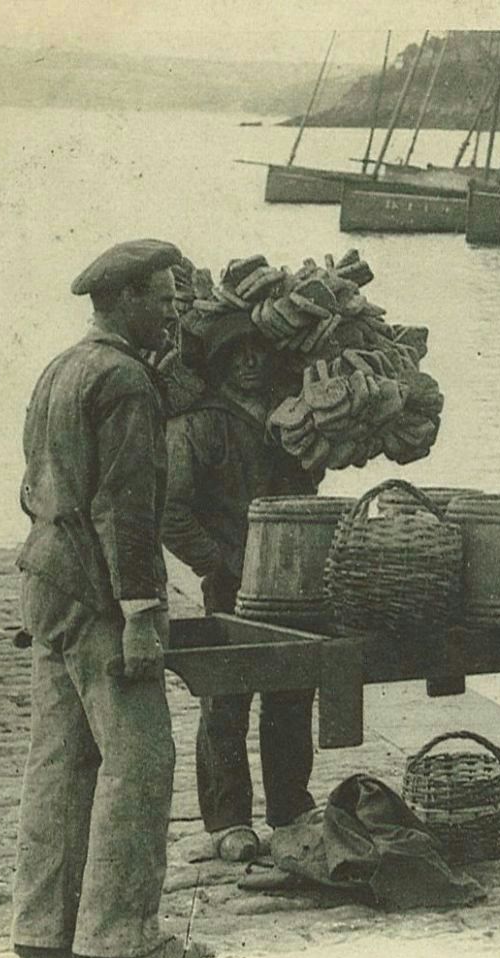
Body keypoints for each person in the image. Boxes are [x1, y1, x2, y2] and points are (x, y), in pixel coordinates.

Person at [14, 239, 206, 958]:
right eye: (161, 297)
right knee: (138, 763)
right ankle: (119, 937)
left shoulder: (61, 367)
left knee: (58, 762)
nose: (173, 309)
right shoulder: (125, 381)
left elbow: (35, 484)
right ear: (124, 300)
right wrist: (138, 611)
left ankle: (42, 930)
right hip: (100, 598)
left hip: (48, 584)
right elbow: (126, 508)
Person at [163, 314, 320, 863]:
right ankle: (229, 821)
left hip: (293, 584)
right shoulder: (199, 426)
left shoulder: (295, 419)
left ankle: (290, 808)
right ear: (219, 363)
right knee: (225, 701)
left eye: (259, 350)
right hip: (231, 585)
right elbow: (172, 512)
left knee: (292, 693)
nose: (251, 361)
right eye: (237, 353)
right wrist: (220, 562)